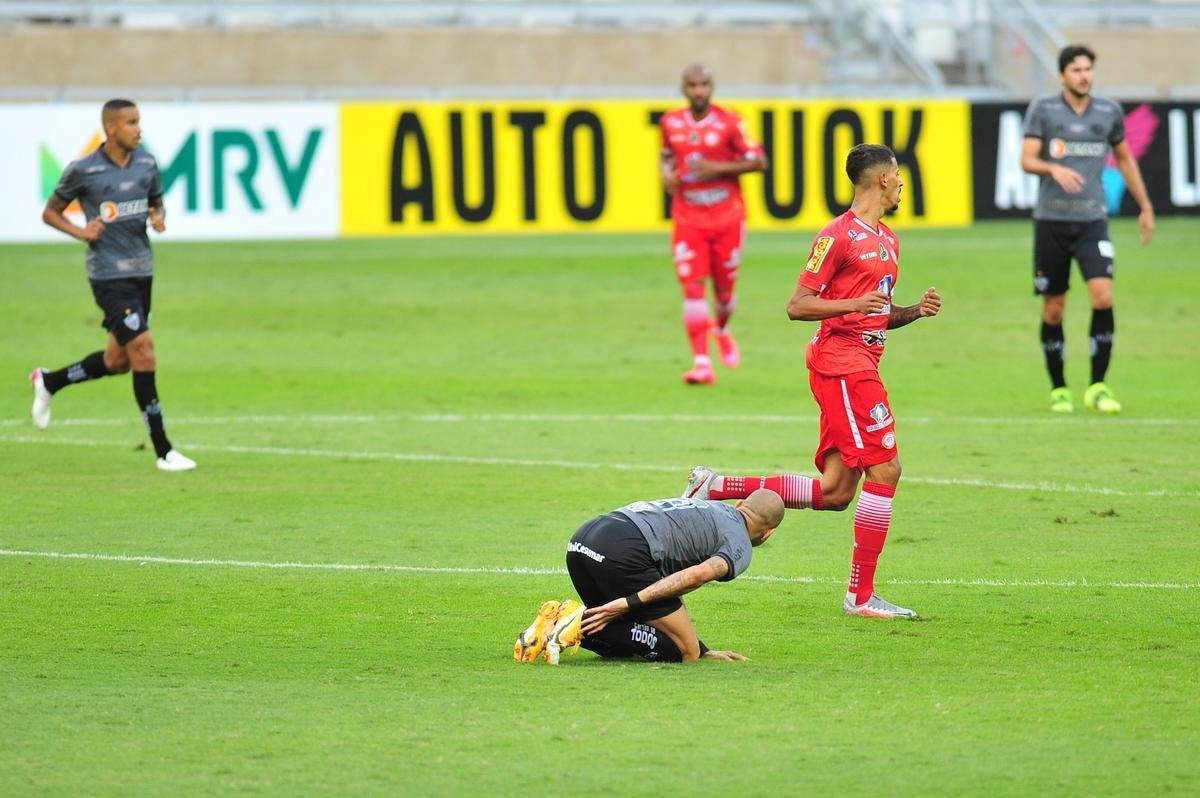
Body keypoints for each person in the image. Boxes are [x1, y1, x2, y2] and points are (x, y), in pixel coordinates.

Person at [683, 143, 941, 620]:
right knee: (887, 469)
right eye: (899, 175)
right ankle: (860, 597)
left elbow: (877, 316)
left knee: (838, 491)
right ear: (882, 179)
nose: (903, 182)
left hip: (863, 361)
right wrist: (850, 306)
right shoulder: (836, 236)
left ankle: (715, 486)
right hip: (842, 365)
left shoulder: (890, 240)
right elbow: (797, 305)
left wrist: (912, 312)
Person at [31, 99, 195, 471]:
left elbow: (157, 202)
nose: (138, 129)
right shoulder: (84, 169)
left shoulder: (147, 163)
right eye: (131, 122)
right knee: (145, 350)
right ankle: (164, 450)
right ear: (110, 128)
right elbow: (50, 212)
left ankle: (50, 381)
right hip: (108, 275)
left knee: (117, 361)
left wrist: (158, 216)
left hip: (142, 271)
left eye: (139, 121)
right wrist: (81, 232)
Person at [1020, 44, 1155, 414]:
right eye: (1077, 70)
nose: (1084, 76)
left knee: (1103, 297)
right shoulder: (1043, 110)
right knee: (1054, 308)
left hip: (1093, 221)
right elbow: (1027, 159)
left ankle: (1098, 385)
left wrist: (1144, 205)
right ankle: (1059, 388)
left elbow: (1125, 159)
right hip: (1051, 222)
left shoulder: (1108, 112)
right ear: (1063, 75)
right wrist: (1053, 168)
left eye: (1088, 69)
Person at [514, 490, 784, 665]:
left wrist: (702, 647)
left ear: (739, 505)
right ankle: (574, 620)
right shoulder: (740, 545)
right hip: (623, 550)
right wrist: (630, 602)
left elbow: (671, 584)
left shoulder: (711, 507)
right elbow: (697, 575)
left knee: (628, 641)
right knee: (685, 653)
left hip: (584, 539)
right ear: (769, 532)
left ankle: (552, 625)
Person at [660, 64, 767, 385]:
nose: (698, 91)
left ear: (712, 87)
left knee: (723, 293)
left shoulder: (731, 122)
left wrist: (715, 169)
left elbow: (760, 161)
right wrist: (665, 174)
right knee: (692, 288)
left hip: (727, 217)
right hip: (688, 217)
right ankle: (702, 363)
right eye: (692, 85)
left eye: (704, 85)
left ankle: (720, 328)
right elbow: (667, 154)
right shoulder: (670, 121)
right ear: (684, 88)